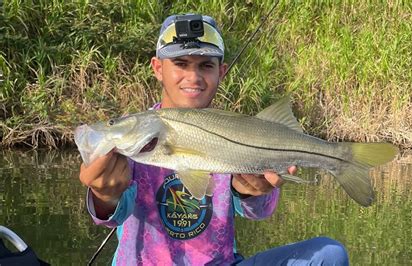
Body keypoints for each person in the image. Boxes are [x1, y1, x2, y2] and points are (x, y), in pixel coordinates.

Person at [79, 14, 349, 265]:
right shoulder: (133, 144)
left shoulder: (241, 130)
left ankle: (339, 159)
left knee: (329, 255)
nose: (193, 77)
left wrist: (249, 191)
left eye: (206, 65)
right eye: (181, 64)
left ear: (221, 72)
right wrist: (104, 194)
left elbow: (259, 211)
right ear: (158, 68)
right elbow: (110, 215)